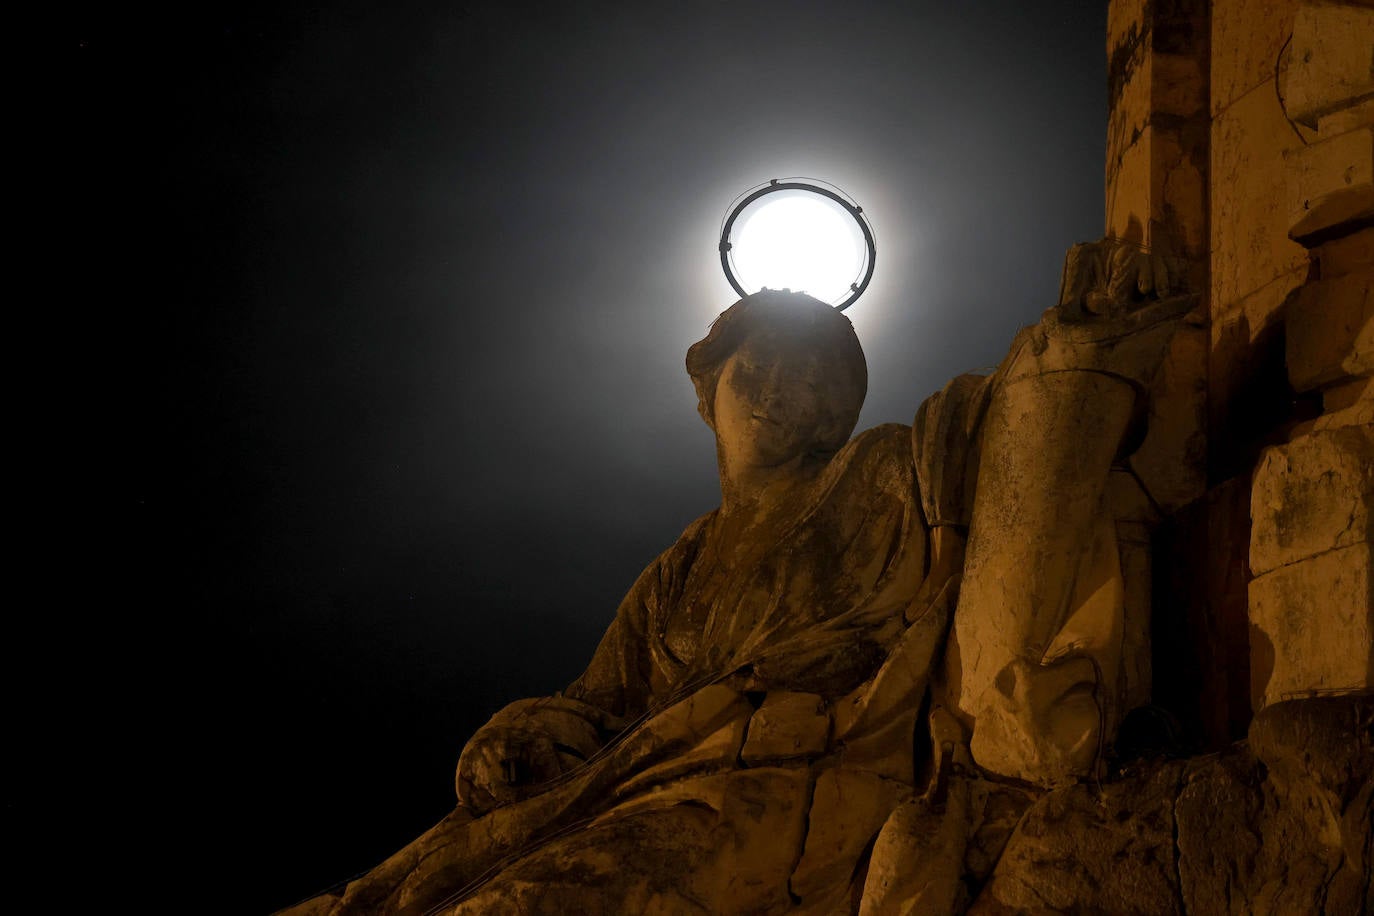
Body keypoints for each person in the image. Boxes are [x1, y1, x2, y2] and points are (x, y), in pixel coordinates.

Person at [282, 240, 1194, 915]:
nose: (782, 389)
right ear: (709, 393)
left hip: (796, 774)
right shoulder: (677, 569)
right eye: (761, 364)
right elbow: (598, 706)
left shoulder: (883, 468)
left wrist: (1074, 351)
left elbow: (1005, 442)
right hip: (640, 782)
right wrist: (518, 731)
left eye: (816, 373)